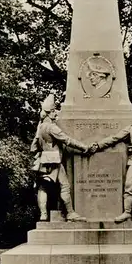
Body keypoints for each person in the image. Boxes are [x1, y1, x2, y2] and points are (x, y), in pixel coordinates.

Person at [30, 93, 88, 222]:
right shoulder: (52, 127)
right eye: (54, 112)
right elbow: (67, 140)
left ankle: (43, 214)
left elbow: (33, 147)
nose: (56, 115)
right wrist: (83, 147)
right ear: (50, 113)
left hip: (43, 160)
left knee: (42, 187)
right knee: (65, 186)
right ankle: (71, 213)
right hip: (54, 160)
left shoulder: (40, 127)